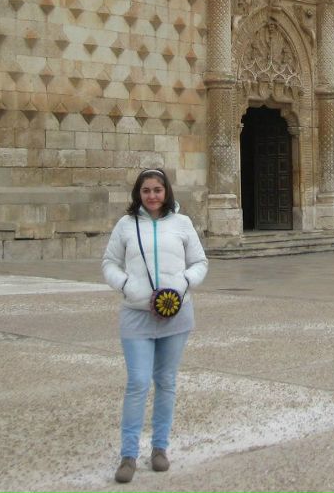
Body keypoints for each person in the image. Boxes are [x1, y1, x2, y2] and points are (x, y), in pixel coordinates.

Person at [102, 168, 208, 484]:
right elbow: (109, 263)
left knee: (166, 381)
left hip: (176, 314)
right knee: (137, 381)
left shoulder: (183, 223)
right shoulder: (126, 225)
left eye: (157, 190)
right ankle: (128, 454)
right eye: (146, 190)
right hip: (136, 314)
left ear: (166, 192)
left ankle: (160, 448)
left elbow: (200, 262)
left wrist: (183, 283)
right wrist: (127, 287)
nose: (152, 196)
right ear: (138, 193)